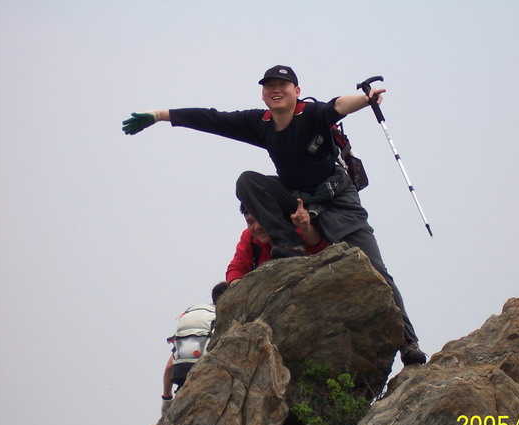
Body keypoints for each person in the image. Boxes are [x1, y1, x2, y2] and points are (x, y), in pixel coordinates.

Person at [123, 65, 426, 365]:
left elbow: (337, 106)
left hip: (338, 200)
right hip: (297, 199)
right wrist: (159, 115)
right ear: (263, 94)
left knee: (376, 268)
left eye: (283, 85)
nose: (276, 90)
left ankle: (408, 342)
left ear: (297, 91)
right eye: (269, 86)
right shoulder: (262, 123)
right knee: (248, 181)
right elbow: (213, 118)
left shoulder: (311, 114)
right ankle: (289, 246)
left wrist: (366, 99)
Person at [161, 281, 228, 414]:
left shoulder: (200, 319)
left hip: (182, 376)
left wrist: (166, 400)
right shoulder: (221, 318)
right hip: (209, 377)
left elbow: (169, 367)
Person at [227, 198, 328, 284]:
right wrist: (236, 291)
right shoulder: (249, 236)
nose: (257, 226)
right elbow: (237, 267)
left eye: (261, 218)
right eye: (250, 222)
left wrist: (306, 228)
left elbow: (321, 250)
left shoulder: (294, 226)